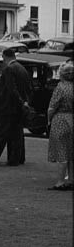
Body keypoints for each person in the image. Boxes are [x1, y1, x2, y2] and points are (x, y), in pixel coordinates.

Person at [0, 47, 32, 167]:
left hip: (8, 107)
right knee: (17, 135)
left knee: (0, 135)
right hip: (19, 108)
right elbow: (27, 88)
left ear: (5, 57)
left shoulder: (9, 70)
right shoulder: (22, 69)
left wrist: (20, 101)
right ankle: (17, 158)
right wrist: (25, 102)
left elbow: (11, 89)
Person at [46, 60, 73, 190]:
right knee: (71, 151)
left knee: (62, 151)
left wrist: (49, 119)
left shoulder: (60, 87)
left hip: (60, 119)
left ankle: (60, 181)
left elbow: (52, 107)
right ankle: (71, 180)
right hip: (72, 119)